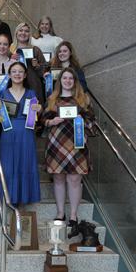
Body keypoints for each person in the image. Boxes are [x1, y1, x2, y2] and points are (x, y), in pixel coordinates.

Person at [41, 67, 95, 227]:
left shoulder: (82, 100)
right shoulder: (52, 99)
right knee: (58, 178)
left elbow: (92, 122)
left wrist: (81, 120)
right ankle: (60, 213)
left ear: (75, 81)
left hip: (77, 144)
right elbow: (43, 121)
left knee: (74, 179)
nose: (68, 81)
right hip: (57, 142)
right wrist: (52, 121)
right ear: (60, 81)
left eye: (71, 78)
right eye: (65, 78)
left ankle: (73, 215)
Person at [0, 62, 41, 206]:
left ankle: (24, 196)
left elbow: (35, 116)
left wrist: (38, 109)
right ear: (9, 75)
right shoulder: (2, 93)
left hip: (26, 134)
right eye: (14, 71)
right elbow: (0, 117)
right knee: (8, 164)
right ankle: (7, 196)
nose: (17, 74)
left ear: (25, 75)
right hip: (8, 133)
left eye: (20, 71)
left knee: (25, 163)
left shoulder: (31, 93)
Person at [10, 22, 46, 105]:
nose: (23, 33)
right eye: (21, 30)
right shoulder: (10, 50)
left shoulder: (35, 50)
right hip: (14, 87)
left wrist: (37, 66)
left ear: (29, 34)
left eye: (26, 31)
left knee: (34, 112)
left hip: (33, 86)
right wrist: (10, 61)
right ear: (16, 33)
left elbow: (45, 71)